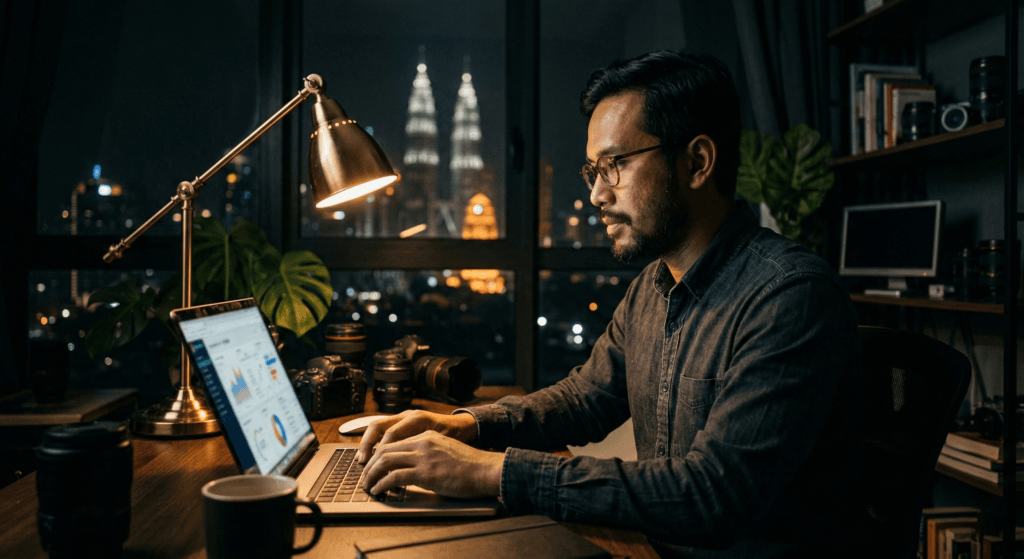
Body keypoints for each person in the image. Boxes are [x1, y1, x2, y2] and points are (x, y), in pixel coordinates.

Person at [357, 49, 864, 558]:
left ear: (697, 162)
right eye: (592, 171)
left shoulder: (790, 296)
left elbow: (712, 493)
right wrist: (465, 425)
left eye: (615, 165)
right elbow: (584, 400)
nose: (597, 194)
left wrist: (493, 472)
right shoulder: (652, 286)